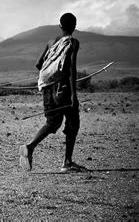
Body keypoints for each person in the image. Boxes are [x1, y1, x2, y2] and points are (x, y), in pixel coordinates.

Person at [19, 12, 85, 173]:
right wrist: (73, 95)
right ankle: (67, 162)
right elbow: (70, 69)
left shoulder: (51, 42)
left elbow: (38, 64)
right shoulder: (73, 42)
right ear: (75, 27)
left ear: (60, 26)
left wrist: (51, 71)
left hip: (47, 88)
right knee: (73, 123)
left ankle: (30, 146)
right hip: (63, 89)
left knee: (52, 123)